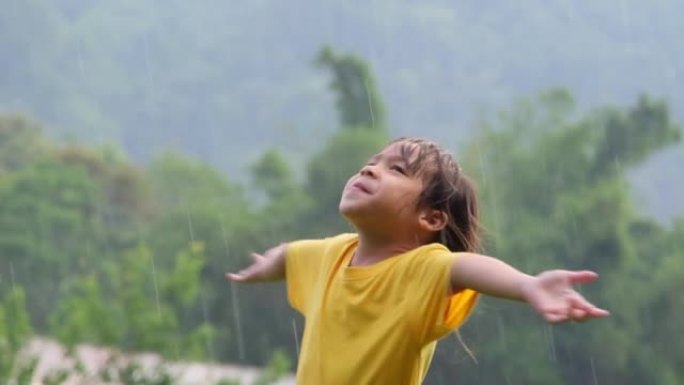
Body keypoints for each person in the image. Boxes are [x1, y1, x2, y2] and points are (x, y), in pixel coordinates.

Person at [227, 137, 609, 385]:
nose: (369, 168)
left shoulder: (420, 269)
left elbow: (467, 268)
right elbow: (290, 256)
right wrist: (266, 267)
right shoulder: (329, 254)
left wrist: (528, 285)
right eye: (372, 162)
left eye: (396, 170)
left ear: (431, 218)